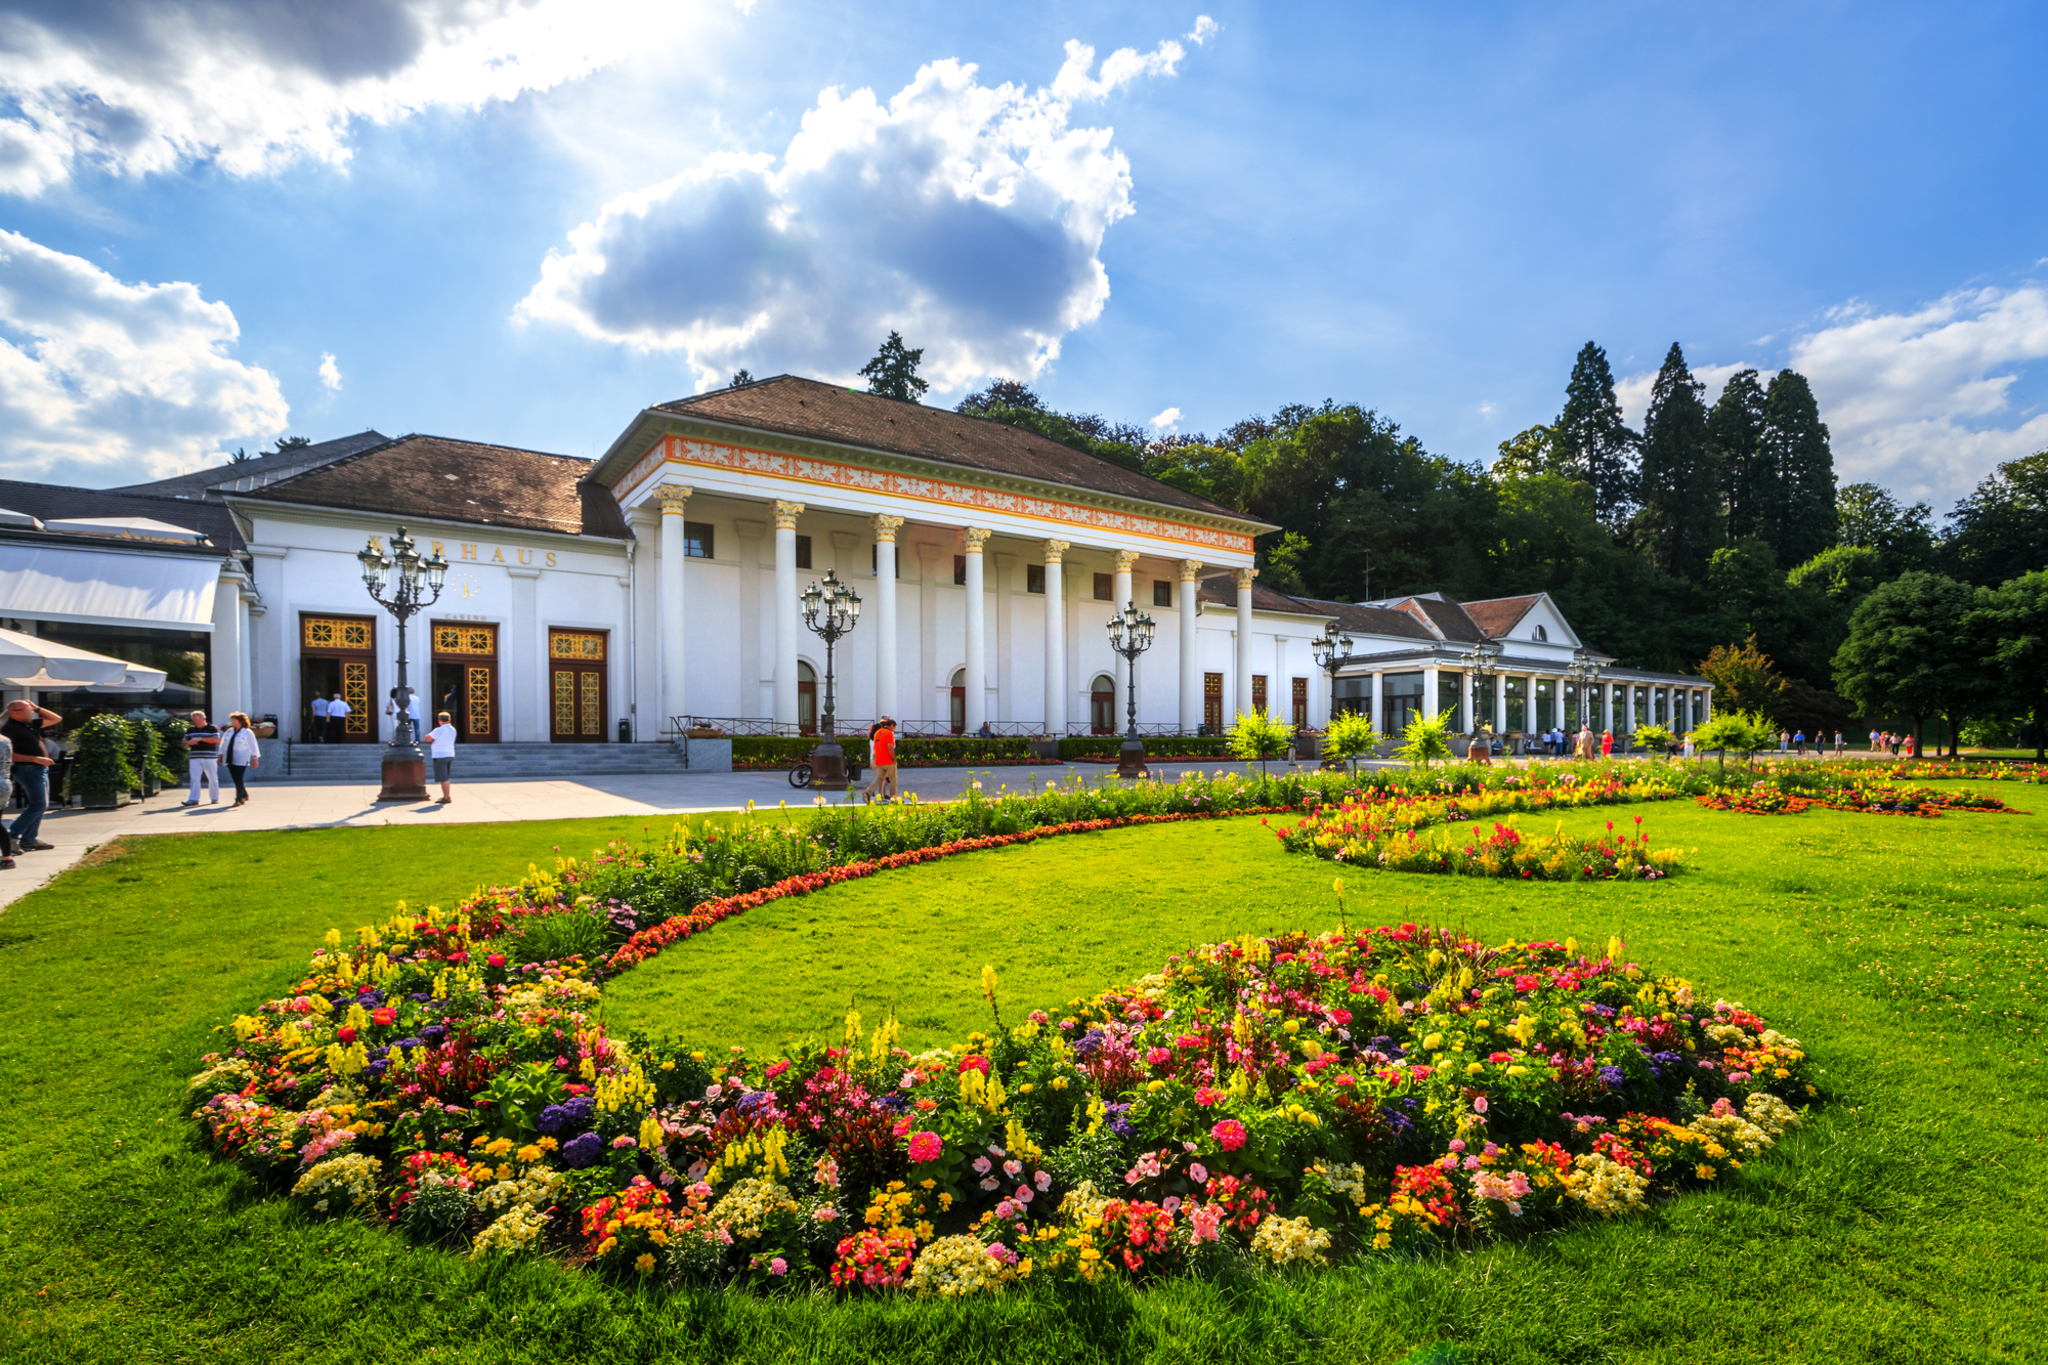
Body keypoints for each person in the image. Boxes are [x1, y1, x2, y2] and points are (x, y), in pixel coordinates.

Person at [3, 698, 59, 851]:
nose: (32, 713)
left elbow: (56, 718)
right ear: (15, 713)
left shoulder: (30, 725)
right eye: (28, 711)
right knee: (39, 804)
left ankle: (29, 839)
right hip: (27, 769)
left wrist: (37, 708)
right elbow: (9, 754)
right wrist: (35, 758)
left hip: (39, 769)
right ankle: (13, 835)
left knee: (40, 805)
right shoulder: (9, 729)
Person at [181, 710, 221, 805]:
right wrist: (188, 742)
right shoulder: (190, 729)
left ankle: (214, 798)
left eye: (197, 720)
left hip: (210, 757)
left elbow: (216, 739)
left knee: (212, 778)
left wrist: (200, 739)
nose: (195, 722)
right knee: (194, 778)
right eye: (194, 720)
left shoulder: (212, 728)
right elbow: (183, 741)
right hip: (195, 757)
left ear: (204, 719)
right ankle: (194, 799)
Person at [222, 711, 260, 806]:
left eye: (234, 720)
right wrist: (219, 757)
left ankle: (239, 799)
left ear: (240, 721)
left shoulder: (247, 732)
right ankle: (244, 794)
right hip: (230, 757)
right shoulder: (229, 731)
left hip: (241, 758)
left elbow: (253, 746)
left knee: (238, 778)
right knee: (236, 779)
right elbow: (222, 745)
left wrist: (255, 758)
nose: (232, 722)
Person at [863, 717, 899, 803]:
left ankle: (868, 792)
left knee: (879, 778)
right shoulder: (889, 733)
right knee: (893, 779)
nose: (894, 729)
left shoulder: (877, 733)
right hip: (888, 760)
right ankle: (893, 798)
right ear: (891, 725)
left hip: (879, 760)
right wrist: (894, 759)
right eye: (894, 727)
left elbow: (875, 748)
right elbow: (890, 747)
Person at [427, 710, 458, 803]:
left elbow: (427, 738)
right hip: (449, 754)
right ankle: (446, 796)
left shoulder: (439, 730)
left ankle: (446, 797)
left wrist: (432, 740)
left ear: (439, 721)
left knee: (443, 778)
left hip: (440, 755)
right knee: (445, 776)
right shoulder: (452, 729)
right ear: (449, 720)